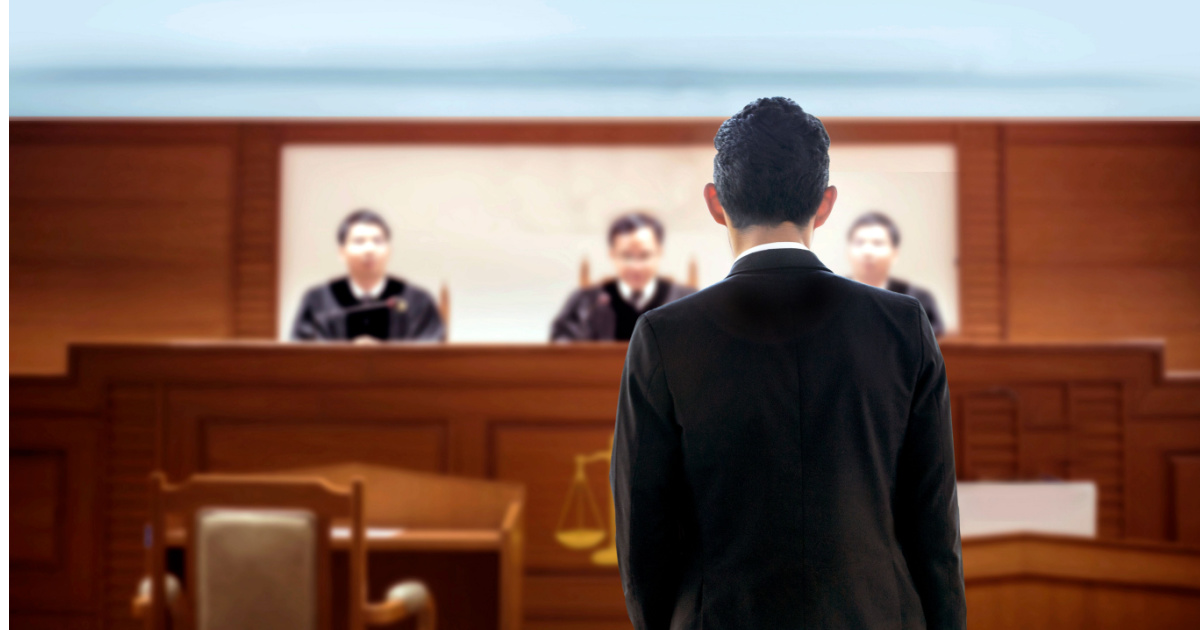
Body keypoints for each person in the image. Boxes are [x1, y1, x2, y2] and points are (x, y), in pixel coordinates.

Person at [611, 97, 965, 629]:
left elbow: (643, 537)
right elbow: (934, 528)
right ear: (825, 204)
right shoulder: (902, 326)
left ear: (716, 203)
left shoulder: (664, 337)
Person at [290, 209, 444, 342]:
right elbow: (303, 356)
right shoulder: (318, 300)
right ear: (341, 252)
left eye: (378, 241)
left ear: (389, 251)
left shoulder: (416, 300)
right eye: (359, 241)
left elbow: (430, 355)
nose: (369, 249)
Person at [550, 212, 695, 341]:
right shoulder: (585, 301)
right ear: (612, 254)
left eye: (645, 255)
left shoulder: (687, 300)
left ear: (659, 252)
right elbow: (562, 347)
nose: (636, 266)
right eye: (626, 256)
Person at [848, 211, 946, 336]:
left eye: (877, 243)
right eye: (859, 243)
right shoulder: (833, 296)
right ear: (849, 251)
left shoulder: (919, 300)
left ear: (895, 254)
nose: (867, 251)